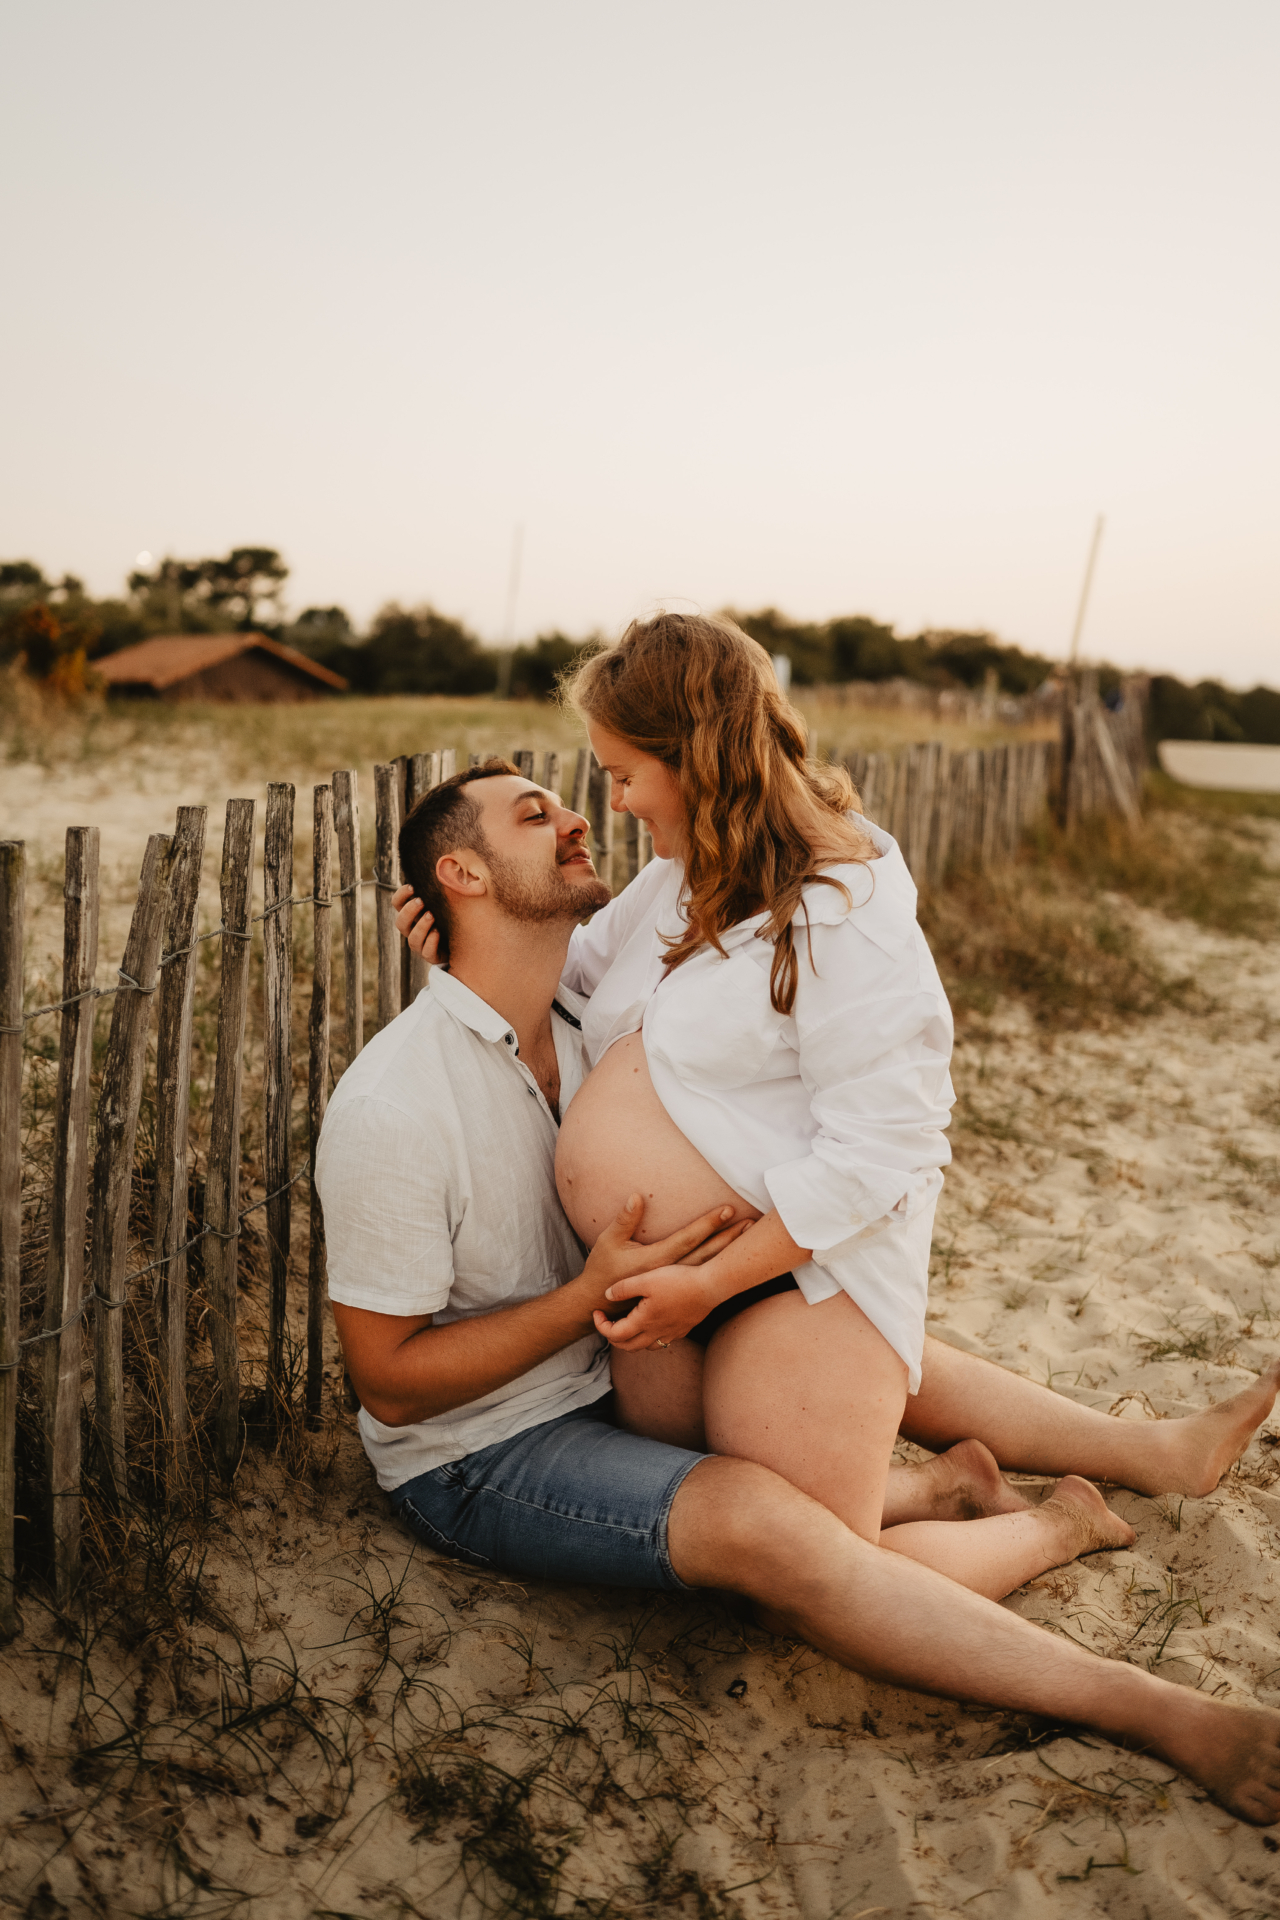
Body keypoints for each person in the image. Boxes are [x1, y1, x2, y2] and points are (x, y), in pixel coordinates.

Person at [327, 756, 1280, 1825]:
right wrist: (585, 1294)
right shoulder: (396, 1103)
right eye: (533, 813)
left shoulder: (583, 1018)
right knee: (769, 1533)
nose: (578, 817)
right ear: (460, 870)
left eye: (573, 795)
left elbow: (740, 854)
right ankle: (1138, 1680)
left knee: (825, 1311)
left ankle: (1134, 1454)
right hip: (482, 1449)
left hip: (614, 1356)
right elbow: (391, 1386)